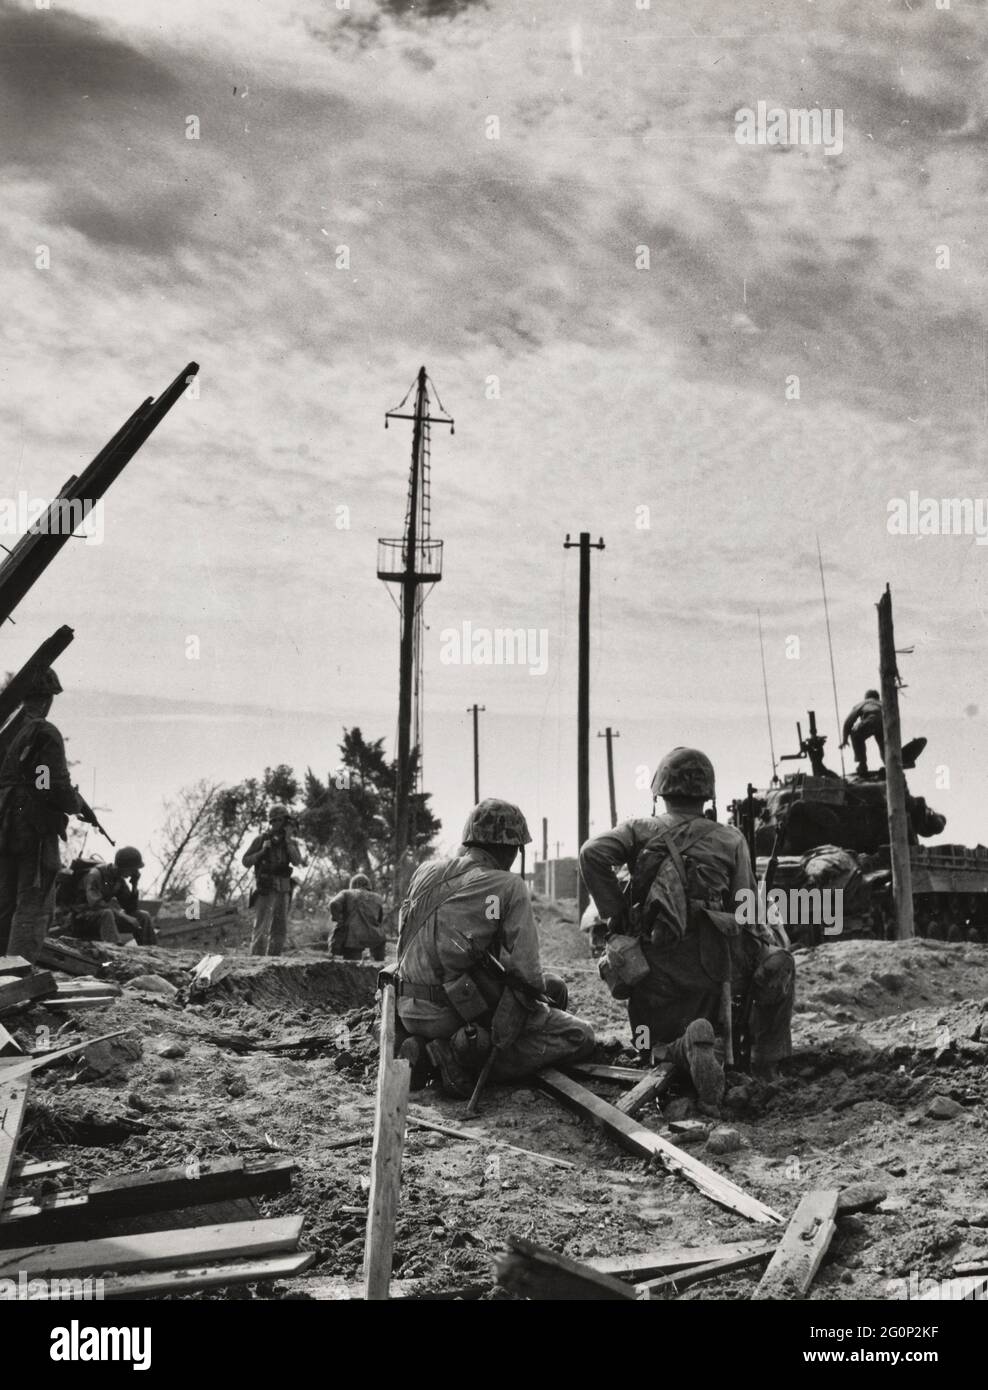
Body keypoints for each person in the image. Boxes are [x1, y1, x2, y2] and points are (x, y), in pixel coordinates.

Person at [580, 747, 794, 1112]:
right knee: (781, 964)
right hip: (716, 971)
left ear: (659, 792)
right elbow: (747, 912)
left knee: (649, 1043)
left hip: (652, 970)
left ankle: (677, 1051)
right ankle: (765, 1063)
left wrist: (618, 917)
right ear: (707, 794)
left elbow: (591, 853)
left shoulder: (638, 830)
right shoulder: (730, 839)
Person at [394, 797, 595, 1097]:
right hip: (449, 1014)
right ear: (512, 849)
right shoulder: (508, 886)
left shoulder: (425, 872)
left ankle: (423, 1051)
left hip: (407, 1009)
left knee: (553, 987)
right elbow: (527, 977)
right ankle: (456, 1057)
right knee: (581, 1035)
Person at [0, 667, 82, 966]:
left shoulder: (8, 730)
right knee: (33, 902)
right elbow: (49, 784)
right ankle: (15, 978)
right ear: (48, 698)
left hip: (5, 823)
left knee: (5, 901)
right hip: (31, 827)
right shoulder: (43, 731)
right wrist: (74, 804)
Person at [242, 804, 303, 956]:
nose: (279, 824)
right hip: (265, 886)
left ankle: (274, 960)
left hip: (283, 887)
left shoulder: (290, 842)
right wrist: (262, 852)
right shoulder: (261, 839)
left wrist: (288, 840)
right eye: (276, 821)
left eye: (281, 821)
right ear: (272, 822)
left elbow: (296, 861)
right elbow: (246, 861)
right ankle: (257, 959)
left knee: (280, 926)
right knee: (262, 925)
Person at [68, 848, 155, 945]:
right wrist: (124, 916)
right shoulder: (95, 874)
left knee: (143, 916)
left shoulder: (118, 880)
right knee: (107, 913)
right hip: (82, 919)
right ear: (125, 867)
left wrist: (135, 884)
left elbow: (130, 908)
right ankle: (115, 950)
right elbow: (96, 904)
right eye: (133, 869)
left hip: (103, 919)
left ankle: (151, 950)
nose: (134, 872)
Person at [329, 872, 387, 961]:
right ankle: (378, 963)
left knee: (352, 963)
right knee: (379, 961)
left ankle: (354, 969)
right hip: (375, 936)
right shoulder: (378, 898)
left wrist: (338, 919)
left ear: (353, 884)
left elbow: (333, 903)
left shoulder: (346, 893)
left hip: (353, 937)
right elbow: (380, 920)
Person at [841, 690, 884, 774]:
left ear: (866, 698)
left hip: (871, 720)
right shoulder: (882, 703)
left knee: (855, 734)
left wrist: (845, 739)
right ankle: (889, 764)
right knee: (884, 743)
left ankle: (862, 764)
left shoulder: (862, 703)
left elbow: (848, 722)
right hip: (885, 723)